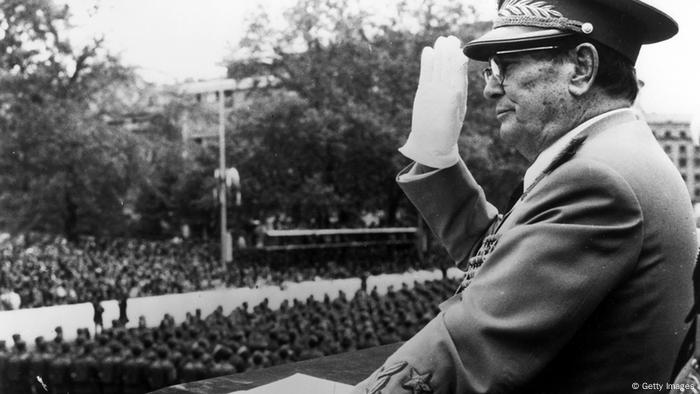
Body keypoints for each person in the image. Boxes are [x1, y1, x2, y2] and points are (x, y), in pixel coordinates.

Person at [352, 0, 696, 393]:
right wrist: (436, 159)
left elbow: (467, 351)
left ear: (581, 68)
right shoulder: (613, 153)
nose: (488, 87)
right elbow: (510, 259)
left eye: (507, 65)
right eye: (490, 69)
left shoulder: (597, 178)